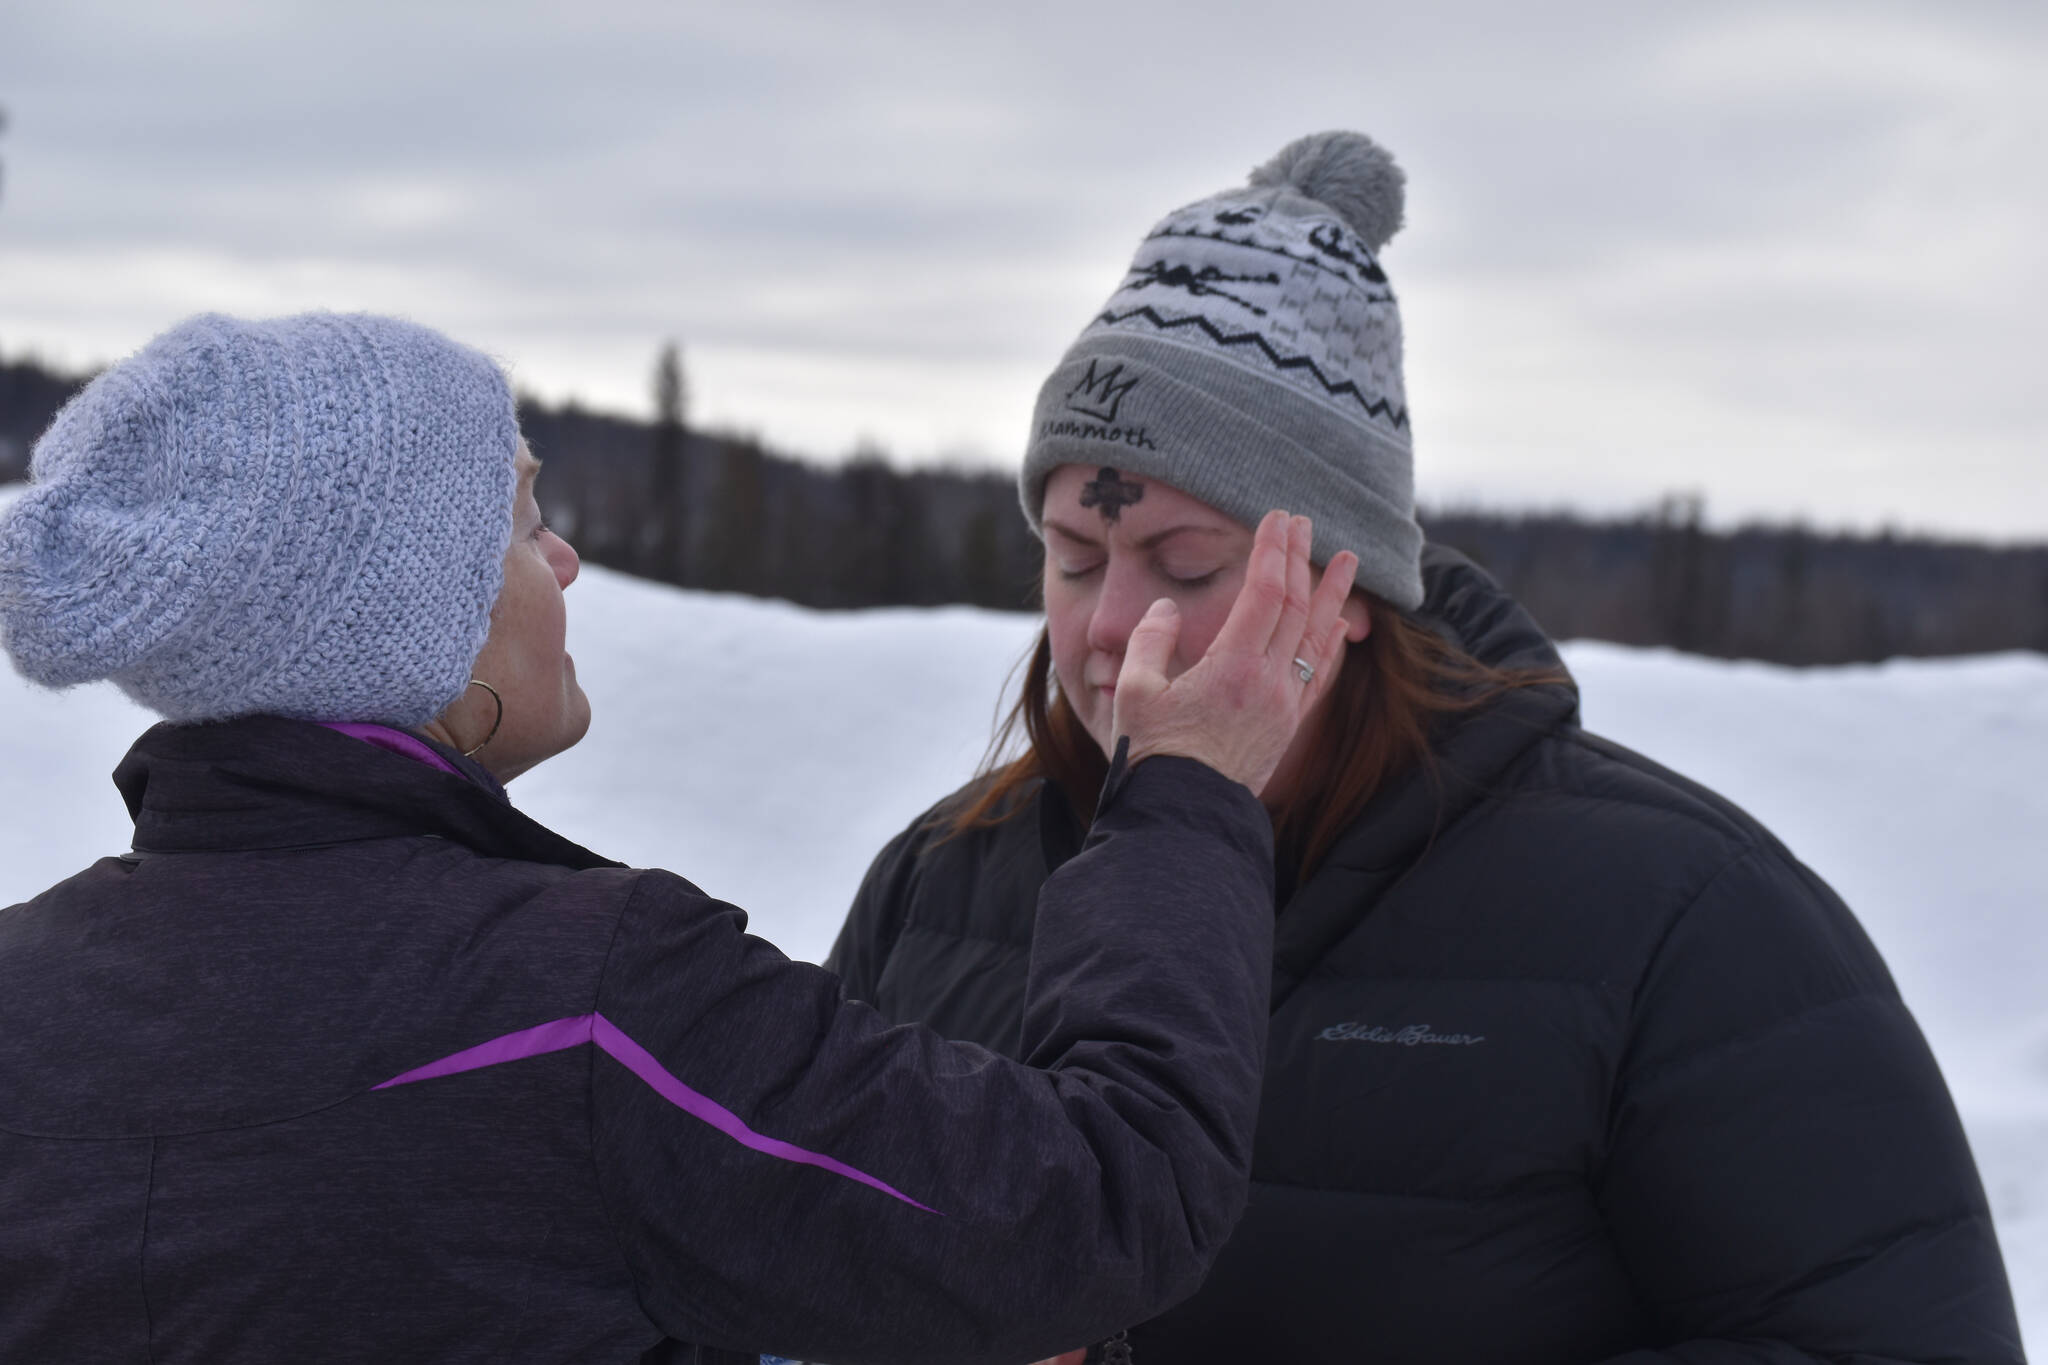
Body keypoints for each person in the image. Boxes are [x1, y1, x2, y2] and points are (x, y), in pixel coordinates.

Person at [829, 132, 2025, 1364]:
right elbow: (788, 1265)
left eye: (1186, 566)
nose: (1115, 626)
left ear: (1347, 590)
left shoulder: (1677, 914)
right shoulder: (939, 890)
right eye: (1074, 559)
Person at [0, 311, 1360, 1365]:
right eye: (527, 520)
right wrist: (1187, 790)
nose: (568, 561)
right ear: (423, 617)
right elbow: (1108, 1198)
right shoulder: (586, 1004)